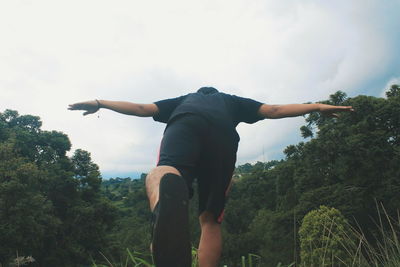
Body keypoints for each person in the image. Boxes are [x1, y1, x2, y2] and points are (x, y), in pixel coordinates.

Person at [68, 87, 353, 267]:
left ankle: (163, 203)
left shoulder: (184, 100)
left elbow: (142, 110)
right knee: (210, 219)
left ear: (199, 92)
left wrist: (100, 102)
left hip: (186, 124)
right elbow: (274, 110)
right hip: (224, 137)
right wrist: (316, 106)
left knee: (164, 172)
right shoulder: (231, 102)